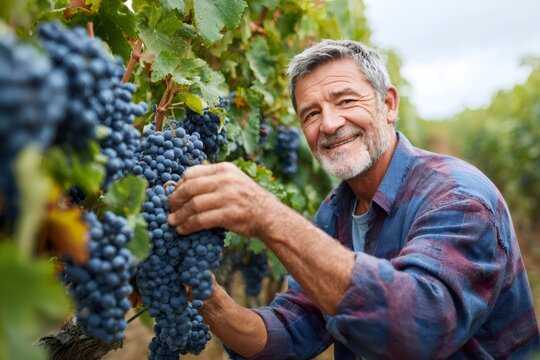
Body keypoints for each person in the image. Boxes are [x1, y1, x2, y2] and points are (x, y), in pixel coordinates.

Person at [167, 39, 540, 359]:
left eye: (345, 100)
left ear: (389, 104)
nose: (328, 124)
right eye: (311, 114)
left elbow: (419, 330)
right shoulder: (335, 212)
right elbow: (294, 329)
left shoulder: (457, 197)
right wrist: (207, 297)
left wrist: (269, 217)